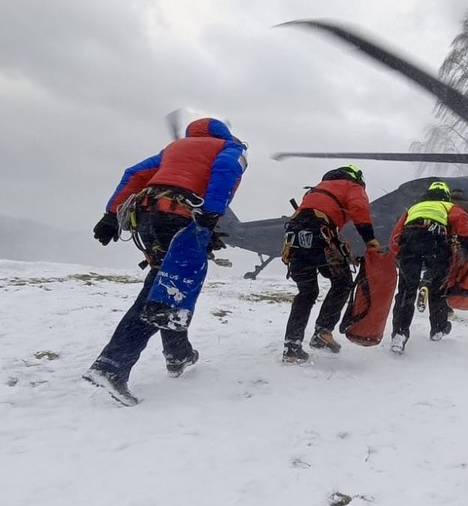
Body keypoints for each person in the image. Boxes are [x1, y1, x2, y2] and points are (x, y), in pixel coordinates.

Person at [83, 117, 247, 406]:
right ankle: (112, 366)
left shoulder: (174, 148)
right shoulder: (229, 147)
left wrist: (111, 215)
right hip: (179, 217)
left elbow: (134, 173)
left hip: (146, 216)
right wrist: (211, 212)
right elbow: (227, 170)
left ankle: (177, 354)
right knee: (167, 293)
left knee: (167, 284)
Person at [281, 165, 379, 363]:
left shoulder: (317, 189)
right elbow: (359, 209)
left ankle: (292, 347)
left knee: (307, 292)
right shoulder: (351, 186)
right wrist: (369, 239)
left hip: (294, 239)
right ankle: (323, 332)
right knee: (343, 282)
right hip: (320, 234)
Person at [388, 181, 468, 353]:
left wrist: (398, 252)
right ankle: (438, 327)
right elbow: (461, 222)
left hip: (411, 240)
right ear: (446, 196)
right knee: (439, 287)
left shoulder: (413, 208)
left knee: (406, 291)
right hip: (436, 241)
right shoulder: (448, 206)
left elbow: (396, 232)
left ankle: (399, 334)